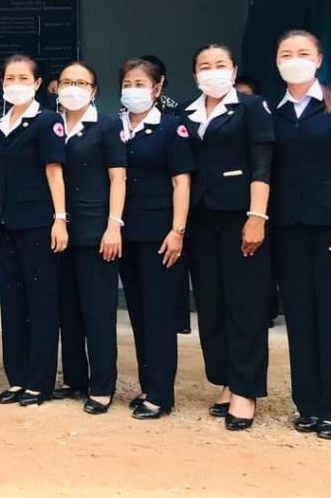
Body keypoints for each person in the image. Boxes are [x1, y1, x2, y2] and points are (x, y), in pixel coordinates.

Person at [270, 30, 331, 440]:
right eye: (286, 54)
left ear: (319, 59)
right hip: (289, 230)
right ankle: (308, 405)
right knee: (301, 319)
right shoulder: (272, 111)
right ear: (277, 62)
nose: (294, 60)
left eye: (302, 53)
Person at [183, 45, 274, 431]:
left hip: (241, 217)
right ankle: (226, 379)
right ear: (195, 75)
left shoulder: (252, 108)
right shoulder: (186, 113)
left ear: (234, 70)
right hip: (201, 221)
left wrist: (257, 217)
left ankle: (246, 390)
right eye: (204, 66)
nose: (212, 71)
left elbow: (262, 165)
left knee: (245, 304)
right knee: (212, 303)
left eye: (220, 64)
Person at [118, 57, 194, 420]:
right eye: (127, 84)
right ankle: (148, 386)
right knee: (138, 312)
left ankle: (161, 394)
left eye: (140, 83)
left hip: (160, 234)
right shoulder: (117, 127)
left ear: (158, 87)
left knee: (159, 314)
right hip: (126, 233)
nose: (133, 90)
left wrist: (177, 230)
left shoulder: (171, 128)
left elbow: (182, 183)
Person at [0, 55, 68, 407]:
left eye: (23, 78)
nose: (15, 84)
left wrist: (60, 218)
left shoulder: (47, 120)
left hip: (38, 223)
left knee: (41, 304)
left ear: (37, 84)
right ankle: (18, 378)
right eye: (10, 78)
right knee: (12, 304)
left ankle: (40, 382)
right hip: (7, 223)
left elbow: (54, 172)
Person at [54, 62, 127, 415]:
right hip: (59, 231)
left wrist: (114, 225)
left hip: (97, 230)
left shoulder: (107, 125)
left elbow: (118, 179)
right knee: (68, 310)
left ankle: (101, 385)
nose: (73, 87)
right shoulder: (52, 125)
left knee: (97, 311)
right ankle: (75, 378)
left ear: (94, 90)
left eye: (81, 83)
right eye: (67, 81)